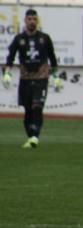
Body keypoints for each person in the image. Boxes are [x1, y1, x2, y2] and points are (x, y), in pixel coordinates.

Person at [3, 9, 61, 148]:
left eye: (34, 19)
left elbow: (52, 58)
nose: (32, 22)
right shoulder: (19, 39)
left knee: (37, 106)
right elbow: (10, 57)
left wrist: (55, 76)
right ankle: (31, 137)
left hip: (41, 78)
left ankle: (35, 136)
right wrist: (7, 73)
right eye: (29, 19)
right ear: (25, 21)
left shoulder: (45, 38)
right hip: (25, 79)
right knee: (28, 110)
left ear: (37, 21)